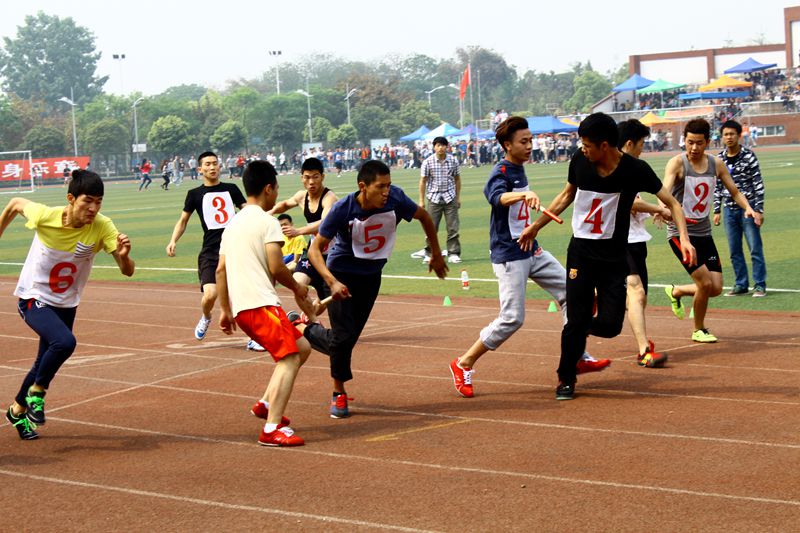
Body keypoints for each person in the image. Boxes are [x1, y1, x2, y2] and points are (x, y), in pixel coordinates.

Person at [524, 113, 695, 400]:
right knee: (576, 320)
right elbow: (566, 195)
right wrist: (535, 226)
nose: (582, 150)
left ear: (604, 145)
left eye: (587, 145)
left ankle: (578, 327)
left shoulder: (635, 170)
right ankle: (566, 377)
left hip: (614, 257)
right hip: (581, 253)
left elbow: (673, 204)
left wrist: (685, 239)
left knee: (611, 325)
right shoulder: (580, 161)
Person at [448, 117, 610, 398]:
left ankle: (577, 356)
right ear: (507, 145)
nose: (530, 146)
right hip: (509, 254)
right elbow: (497, 198)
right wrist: (523, 196)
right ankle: (463, 363)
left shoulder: (519, 168)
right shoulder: (500, 171)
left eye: (531, 140)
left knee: (573, 295)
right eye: (523, 141)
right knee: (512, 318)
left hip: (531, 248)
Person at [297, 160, 448, 418]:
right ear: (363, 186)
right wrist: (332, 282)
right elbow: (314, 250)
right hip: (341, 274)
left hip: (371, 276)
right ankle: (338, 393)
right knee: (343, 339)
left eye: (388, 185)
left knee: (348, 338)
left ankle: (303, 329)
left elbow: (423, 216)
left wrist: (435, 253)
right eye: (380, 187)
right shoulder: (343, 208)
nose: (386, 192)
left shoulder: (396, 198)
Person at [1, 170, 135, 440]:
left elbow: (128, 271)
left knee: (43, 361)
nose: (93, 208)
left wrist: (123, 256)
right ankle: (37, 394)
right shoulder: (44, 216)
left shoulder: (102, 226)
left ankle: (17, 411)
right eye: (88, 201)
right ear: (71, 199)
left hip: (66, 303)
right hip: (34, 297)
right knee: (64, 343)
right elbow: (15, 203)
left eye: (99, 202)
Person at [216, 160, 314, 447]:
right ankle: (271, 429)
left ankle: (266, 404)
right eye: (277, 188)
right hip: (260, 305)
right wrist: (298, 288)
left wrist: (225, 310)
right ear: (269, 188)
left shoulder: (232, 225)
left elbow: (220, 270)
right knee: (290, 358)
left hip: (243, 308)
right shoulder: (268, 222)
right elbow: (276, 266)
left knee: (302, 347)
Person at [662, 119, 761, 342]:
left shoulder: (716, 164)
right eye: (690, 142)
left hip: (704, 233)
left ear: (707, 142)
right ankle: (699, 329)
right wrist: (662, 209)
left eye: (699, 143)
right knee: (704, 283)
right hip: (680, 234)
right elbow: (664, 192)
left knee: (715, 288)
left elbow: (735, 192)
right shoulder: (677, 163)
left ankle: (677, 291)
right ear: (684, 141)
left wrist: (748, 208)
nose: (694, 148)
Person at [166, 151, 247, 341]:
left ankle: (254, 335)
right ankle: (206, 316)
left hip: (235, 249)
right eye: (208, 164)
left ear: (220, 166)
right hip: (210, 251)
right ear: (200, 169)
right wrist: (173, 240)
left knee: (244, 294)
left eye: (215, 163)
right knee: (210, 295)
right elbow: (183, 221)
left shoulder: (232, 189)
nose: (212, 167)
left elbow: (247, 211)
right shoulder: (194, 194)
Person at [617, 119, 671, 368]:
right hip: (620, 241)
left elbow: (637, 201)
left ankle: (599, 297)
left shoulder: (633, 169)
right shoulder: (614, 167)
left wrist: (655, 211)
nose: (643, 150)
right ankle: (643, 351)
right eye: (641, 144)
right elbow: (629, 203)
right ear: (629, 143)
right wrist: (658, 209)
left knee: (639, 298)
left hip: (637, 239)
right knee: (636, 291)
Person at [269, 157, 338, 316]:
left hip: (334, 254)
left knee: (325, 302)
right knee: (298, 284)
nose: (311, 182)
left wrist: (298, 231)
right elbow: (285, 204)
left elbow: (325, 223)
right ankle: (312, 322)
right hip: (314, 251)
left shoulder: (329, 198)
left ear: (322, 177)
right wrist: (270, 211)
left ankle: (310, 317)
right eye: (307, 177)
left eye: (315, 177)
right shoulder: (302, 196)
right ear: (302, 178)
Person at [713, 120, 767, 297]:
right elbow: (717, 186)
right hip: (729, 210)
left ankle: (759, 284)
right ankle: (741, 284)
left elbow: (758, 183)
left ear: (739, 135)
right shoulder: (719, 159)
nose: (729, 137)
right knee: (734, 250)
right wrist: (717, 210)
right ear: (722, 137)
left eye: (732, 134)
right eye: (726, 134)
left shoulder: (749, 156)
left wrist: (758, 209)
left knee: (755, 248)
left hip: (748, 209)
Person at [410, 136, 462, 264]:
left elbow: (457, 179)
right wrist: (421, 200)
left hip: (450, 197)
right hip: (434, 198)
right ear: (434, 147)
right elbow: (423, 181)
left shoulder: (453, 160)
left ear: (447, 147)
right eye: (438, 145)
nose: (441, 148)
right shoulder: (428, 162)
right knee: (431, 228)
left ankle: (453, 253)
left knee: (453, 228)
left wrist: (458, 197)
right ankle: (430, 253)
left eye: (443, 145)